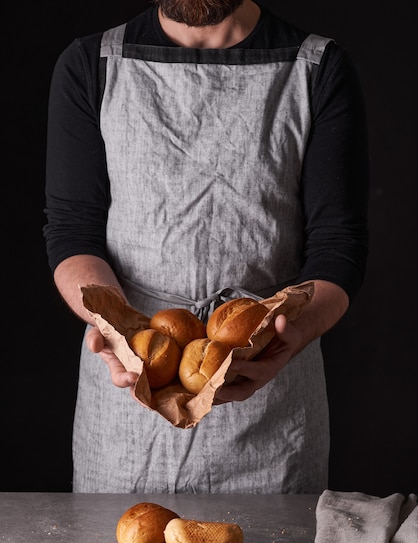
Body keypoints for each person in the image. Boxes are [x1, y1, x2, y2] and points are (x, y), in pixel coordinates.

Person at [44, 0, 369, 494]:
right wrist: (112, 324)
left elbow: (338, 246)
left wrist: (287, 337)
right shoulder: (94, 63)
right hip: (130, 396)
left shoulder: (316, 68)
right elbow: (73, 232)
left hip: (270, 401)